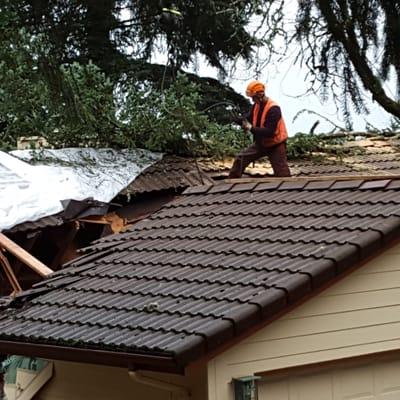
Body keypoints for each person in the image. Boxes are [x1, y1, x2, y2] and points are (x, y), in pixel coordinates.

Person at [229, 80, 291, 178]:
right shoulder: (256, 106)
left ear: (260, 95)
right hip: (261, 143)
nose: (252, 100)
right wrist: (237, 120)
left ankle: (289, 188)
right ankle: (231, 182)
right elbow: (248, 119)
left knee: (282, 173)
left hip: (276, 144)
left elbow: (269, 132)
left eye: (253, 97)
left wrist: (250, 128)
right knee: (241, 159)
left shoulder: (274, 109)